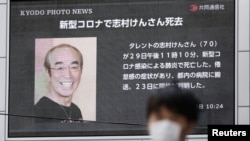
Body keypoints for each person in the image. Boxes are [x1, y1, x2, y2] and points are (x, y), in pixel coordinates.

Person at [35, 44, 83, 123]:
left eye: (74, 67)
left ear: (81, 72)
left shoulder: (76, 110)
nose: (68, 75)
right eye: (60, 68)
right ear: (48, 73)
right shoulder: (39, 113)